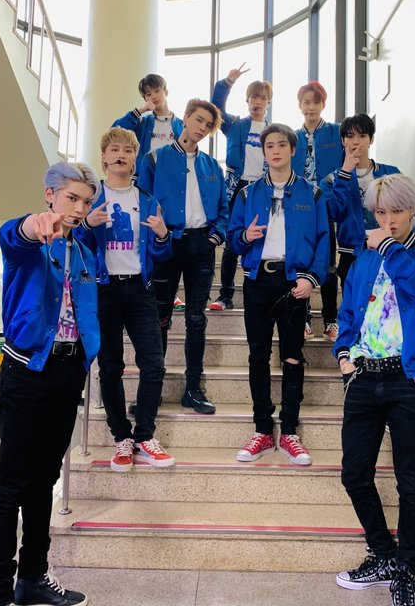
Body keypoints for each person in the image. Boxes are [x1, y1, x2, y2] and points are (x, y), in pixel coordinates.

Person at [334, 174, 415, 606]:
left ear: (412, 211)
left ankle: (406, 568)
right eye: (381, 212)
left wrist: (388, 247)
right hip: (364, 377)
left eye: (397, 211)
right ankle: (383, 555)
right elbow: (348, 313)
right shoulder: (364, 261)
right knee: (354, 474)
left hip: (409, 381)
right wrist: (344, 355)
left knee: (410, 480)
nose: (388, 220)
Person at [0, 162, 101, 606]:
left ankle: (32, 576)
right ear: (50, 194)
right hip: (27, 373)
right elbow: (16, 235)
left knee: (45, 478)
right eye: (71, 198)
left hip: (68, 374)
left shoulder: (84, 253)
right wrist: (33, 228)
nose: (79, 208)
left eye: (85, 201)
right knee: (11, 483)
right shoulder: (29, 242)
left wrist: (87, 355)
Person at [228, 123, 330, 465]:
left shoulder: (312, 194)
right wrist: (246, 236)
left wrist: (312, 278)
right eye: (269, 145)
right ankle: (262, 429)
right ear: (264, 151)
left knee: (292, 356)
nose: (275, 150)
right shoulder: (247, 194)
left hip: (293, 284)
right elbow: (233, 240)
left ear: (292, 149)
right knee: (258, 356)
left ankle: (289, 431)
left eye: (281, 144)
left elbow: (323, 241)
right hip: (257, 281)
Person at [76, 126, 175, 472]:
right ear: (104, 157)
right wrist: (86, 225)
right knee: (110, 367)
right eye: (114, 149)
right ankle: (122, 437)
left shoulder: (147, 200)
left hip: (139, 289)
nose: (121, 155)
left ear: (135, 159)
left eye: (128, 150)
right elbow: (74, 245)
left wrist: (162, 234)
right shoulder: (91, 199)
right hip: (103, 290)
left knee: (154, 364)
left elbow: (162, 254)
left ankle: (145, 435)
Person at [138, 99, 228, 414]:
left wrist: (215, 237)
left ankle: (192, 389)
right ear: (186, 117)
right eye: (198, 120)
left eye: (208, 125)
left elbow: (223, 210)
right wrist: (156, 237)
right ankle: (153, 389)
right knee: (160, 317)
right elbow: (143, 204)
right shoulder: (154, 159)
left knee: (196, 318)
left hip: (201, 246)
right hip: (166, 244)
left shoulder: (213, 166)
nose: (202, 128)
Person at [112, 73, 185, 310]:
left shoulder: (180, 125)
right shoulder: (143, 124)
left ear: (166, 91)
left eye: (156, 91)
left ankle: (172, 290)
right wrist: (141, 110)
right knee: (146, 230)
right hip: (146, 182)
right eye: (148, 94)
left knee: (168, 232)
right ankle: (149, 281)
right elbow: (116, 130)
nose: (153, 96)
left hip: (173, 185)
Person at [209, 63, 272, 311]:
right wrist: (227, 82)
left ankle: (259, 293)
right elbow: (215, 107)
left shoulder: (274, 131)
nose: (258, 101)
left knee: (262, 239)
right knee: (231, 243)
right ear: (247, 100)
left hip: (263, 190)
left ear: (268, 102)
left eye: (263, 97)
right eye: (254, 96)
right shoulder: (235, 124)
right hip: (237, 188)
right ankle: (225, 295)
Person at [320, 113, 400, 291]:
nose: (356, 141)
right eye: (350, 136)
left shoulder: (391, 174)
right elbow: (335, 213)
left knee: (387, 302)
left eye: (362, 135)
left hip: (388, 248)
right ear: (343, 141)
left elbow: (405, 211)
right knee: (354, 303)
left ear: (371, 140)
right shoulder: (331, 180)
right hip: (351, 254)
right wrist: (344, 174)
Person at [292, 81, 343, 341]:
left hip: (326, 206)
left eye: (316, 102)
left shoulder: (337, 132)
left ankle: (331, 320)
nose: (311, 107)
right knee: (301, 263)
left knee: (329, 265)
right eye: (306, 102)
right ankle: (304, 318)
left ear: (323, 104)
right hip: (299, 208)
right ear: (299, 105)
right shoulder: (293, 138)